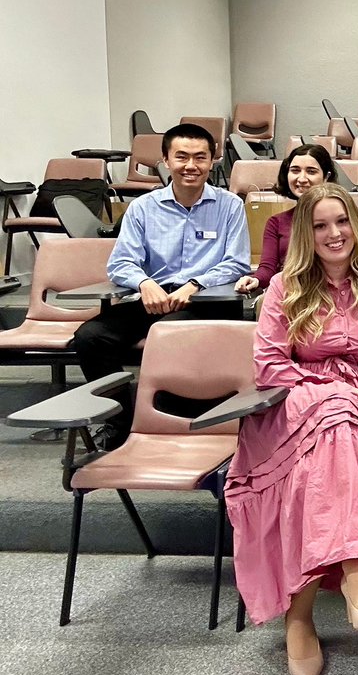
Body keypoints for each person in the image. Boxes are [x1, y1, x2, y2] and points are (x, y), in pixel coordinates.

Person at [225, 183, 358, 675]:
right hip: (292, 404)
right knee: (338, 411)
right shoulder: (285, 286)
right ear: (307, 234)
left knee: (333, 444)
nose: (334, 234)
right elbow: (268, 366)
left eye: (342, 221)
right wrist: (335, 389)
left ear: (357, 224)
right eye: (321, 225)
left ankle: (299, 617)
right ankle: (357, 568)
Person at [70, 122, 249, 450]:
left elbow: (236, 262)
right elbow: (120, 263)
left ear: (213, 161)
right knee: (91, 337)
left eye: (200, 157)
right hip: (153, 297)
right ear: (166, 161)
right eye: (181, 157)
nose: (190, 166)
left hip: (205, 302)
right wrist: (144, 282)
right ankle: (120, 421)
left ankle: (169, 420)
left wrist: (194, 284)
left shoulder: (230, 206)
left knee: (166, 336)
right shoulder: (142, 208)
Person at [234, 143, 336, 295]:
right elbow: (268, 268)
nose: (301, 178)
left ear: (326, 177)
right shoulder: (276, 222)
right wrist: (256, 279)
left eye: (311, 171)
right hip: (290, 293)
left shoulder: (340, 220)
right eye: (295, 170)